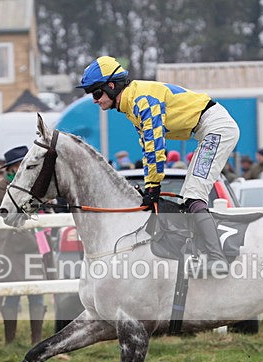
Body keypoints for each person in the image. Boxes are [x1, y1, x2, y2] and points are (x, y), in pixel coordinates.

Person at [77, 55, 239, 275]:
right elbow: (147, 147)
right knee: (188, 196)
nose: (95, 100)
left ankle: (217, 259)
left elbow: (155, 147)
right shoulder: (131, 103)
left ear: (112, 86)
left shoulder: (141, 99)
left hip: (216, 128)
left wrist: (153, 186)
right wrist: (151, 185)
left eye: (96, 93)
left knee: (193, 195)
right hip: (208, 129)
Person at [0, 146, 48, 344]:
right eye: (18, 164)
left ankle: (36, 339)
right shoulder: (3, 187)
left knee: (36, 294)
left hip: (33, 244)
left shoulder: (33, 182)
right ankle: (9, 341)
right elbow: (9, 210)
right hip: (12, 246)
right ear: (12, 167)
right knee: (13, 294)